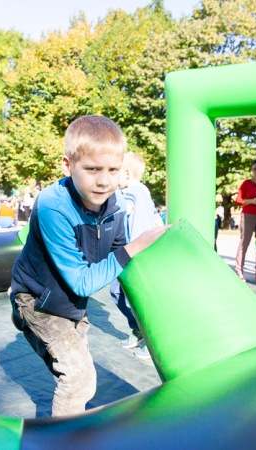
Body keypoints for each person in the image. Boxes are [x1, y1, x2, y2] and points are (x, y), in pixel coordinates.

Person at [9, 115, 169, 417]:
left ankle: (70, 426)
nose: (104, 180)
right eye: (92, 169)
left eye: (113, 170)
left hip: (71, 305)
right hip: (36, 301)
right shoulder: (52, 205)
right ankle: (62, 441)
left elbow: (119, 251)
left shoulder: (116, 203)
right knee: (78, 379)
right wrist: (136, 246)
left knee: (84, 379)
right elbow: (83, 281)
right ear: (68, 166)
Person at [110, 152, 163, 361]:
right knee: (117, 291)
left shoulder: (132, 192)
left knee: (136, 298)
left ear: (128, 173)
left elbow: (131, 212)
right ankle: (139, 329)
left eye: (115, 172)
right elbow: (155, 219)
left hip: (135, 254)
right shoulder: (143, 192)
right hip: (132, 253)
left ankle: (152, 340)